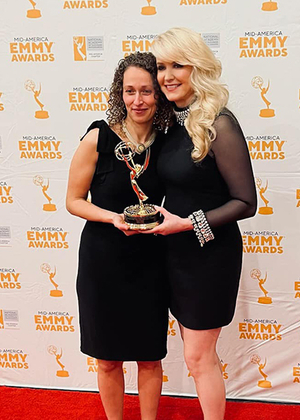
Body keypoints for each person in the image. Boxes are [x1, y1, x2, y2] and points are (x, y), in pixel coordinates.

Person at [147, 27, 257, 420]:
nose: (167, 75)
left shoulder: (219, 124)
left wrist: (189, 225)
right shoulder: (172, 124)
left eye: (179, 64)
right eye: (161, 66)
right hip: (174, 254)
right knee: (196, 354)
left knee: (198, 356)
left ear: (199, 68)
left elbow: (246, 202)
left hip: (210, 258)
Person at [66, 52, 172, 420]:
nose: (138, 100)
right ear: (119, 93)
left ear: (159, 94)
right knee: (108, 360)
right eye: (129, 91)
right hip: (102, 263)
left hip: (151, 264)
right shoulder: (98, 136)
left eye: (146, 91)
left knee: (149, 357)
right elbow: (73, 201)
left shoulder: (170, 143)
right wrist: (113, 218)